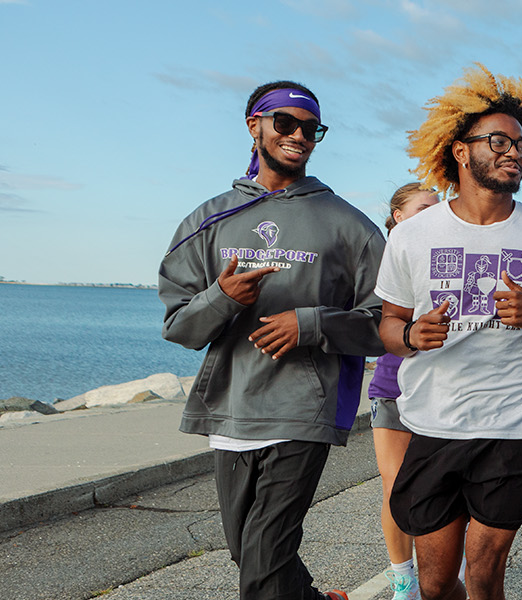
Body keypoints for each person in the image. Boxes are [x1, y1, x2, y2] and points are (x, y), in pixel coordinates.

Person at [375, 63, 522, 600]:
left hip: (509, 426)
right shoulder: (413, 236)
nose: (513, 152)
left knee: (485, 573)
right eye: (498, 140)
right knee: (434, 581)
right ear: (459, 150)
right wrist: (410, 338)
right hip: (431, 423)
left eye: (521, 144)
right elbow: (387, 324)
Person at [159, 80, 384, 600]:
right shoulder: (209, 220)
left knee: (262, 562)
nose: (299, 136)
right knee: (253, 554)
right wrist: (224, 297)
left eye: (311, 128)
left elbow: (387, 321)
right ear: (254, 126)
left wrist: (312, 324)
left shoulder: (349, 224)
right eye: (286, 123)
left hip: (305, 407)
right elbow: (178, 326)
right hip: (232, 408)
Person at [367, 183, 440, 600]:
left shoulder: (447, 257)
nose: (433, 216)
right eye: (422, 209)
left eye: (436, 208)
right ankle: (403, 579)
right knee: (395, 489)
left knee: (441, 489)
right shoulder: (386, 259)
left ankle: (450, 570)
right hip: (391, 387)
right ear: (397, 216)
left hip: (440, 389)